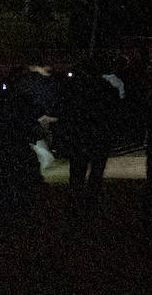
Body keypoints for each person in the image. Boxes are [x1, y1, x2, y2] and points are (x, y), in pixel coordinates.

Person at [55, 59, 120, 211]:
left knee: (77, 169)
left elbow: (64, 112)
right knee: (96, 170)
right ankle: (91, 199)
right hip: (99, 135)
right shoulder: (108, 89)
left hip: (80, 135)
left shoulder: (72, 90)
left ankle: (75, 199)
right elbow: (115, 114)